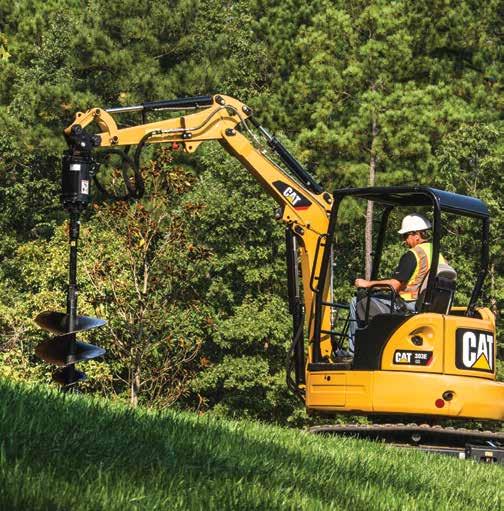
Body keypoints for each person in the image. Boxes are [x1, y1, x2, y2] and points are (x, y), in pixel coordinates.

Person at [348, 213, 445, 353]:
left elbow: (394, 285)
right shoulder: (437, 254)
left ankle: (353, 352)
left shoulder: (414, 254)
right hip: (427, 306)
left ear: (416, 235)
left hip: (407, 306)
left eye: (405, 236)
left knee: (356, 301)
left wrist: (367, 284)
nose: (405, 241)